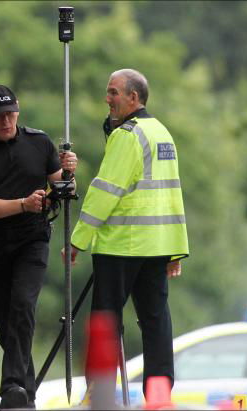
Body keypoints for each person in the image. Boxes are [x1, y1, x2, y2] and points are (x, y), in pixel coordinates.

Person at [63, 69, 189, 397]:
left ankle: (100, 395)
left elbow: (105, 190)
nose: (108, 99)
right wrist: (176, 250)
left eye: (114, 93)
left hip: (121, 246)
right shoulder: (162, 133)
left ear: (134, 98)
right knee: (156, 322)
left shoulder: (127, 136)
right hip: (156, 247)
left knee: (105, 321)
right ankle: (159, 396)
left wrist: (78, 239)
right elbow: (172, 196)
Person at [0, 84, 78, 409]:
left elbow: (63, 188)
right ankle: (26, 396)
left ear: (19, 110)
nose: (6, 121)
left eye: (11, 114)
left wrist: (69, 172)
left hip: (32, 240)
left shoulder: (39, 142)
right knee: (5, 326)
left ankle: (12, 388)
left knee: (23, 307)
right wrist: (23, 204)